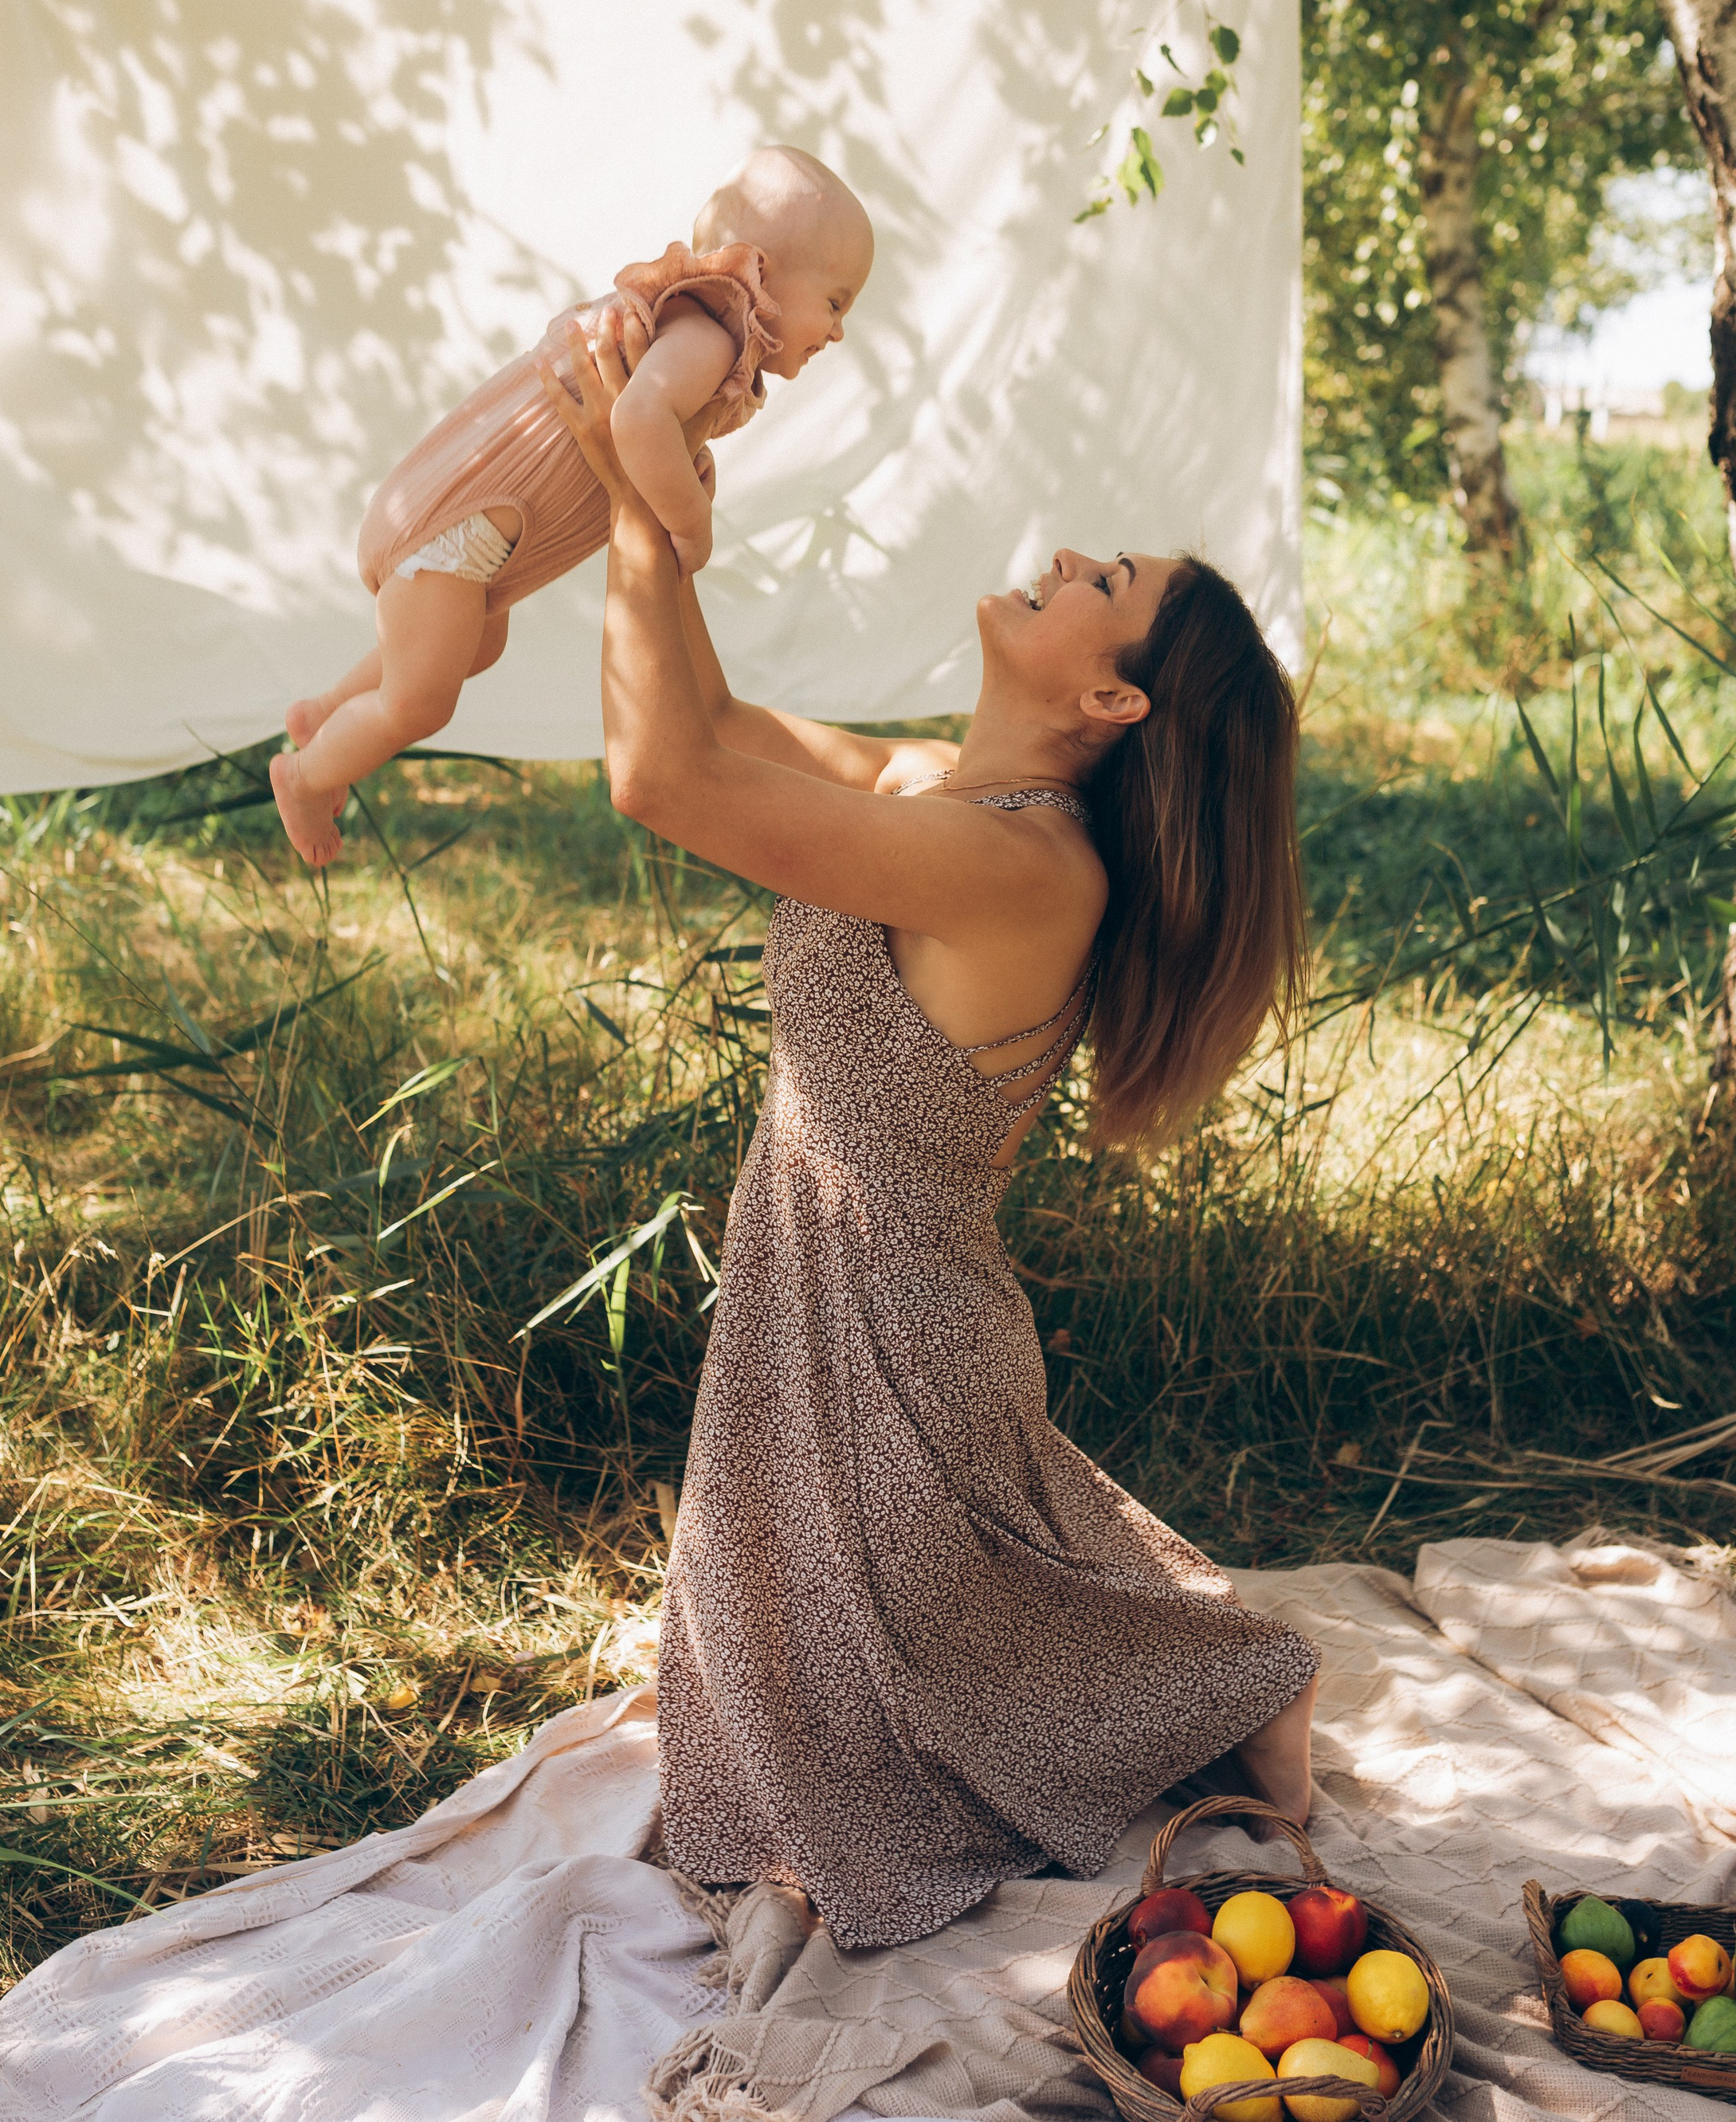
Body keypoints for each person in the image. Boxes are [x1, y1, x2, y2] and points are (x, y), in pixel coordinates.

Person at [535, 313, 1321, 1955]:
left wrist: (630, 494)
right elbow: (721, 723)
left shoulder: (1027, 871)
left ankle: (1236, 1692)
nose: (1057, 557)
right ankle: (1193, 1683)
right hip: (824, 1317)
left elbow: (655, 776)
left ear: (1108, 694)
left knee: (873, 1753)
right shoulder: (930, 801)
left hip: (891, 1353)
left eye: (1097, 577)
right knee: (774, 1738)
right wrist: (662, 490)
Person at [269, 146, 874, 868]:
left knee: (474, 646)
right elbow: (639, 420)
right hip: (454, 527)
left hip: (463, 532)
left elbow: (656, 426)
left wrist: (687, 456)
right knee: (420, 702)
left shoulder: (696, 334)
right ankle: (303, 777)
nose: (838, 330)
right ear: (760, 275)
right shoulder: (713, 332)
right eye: (835, 302)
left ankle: (327, 711)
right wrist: (691, 521)